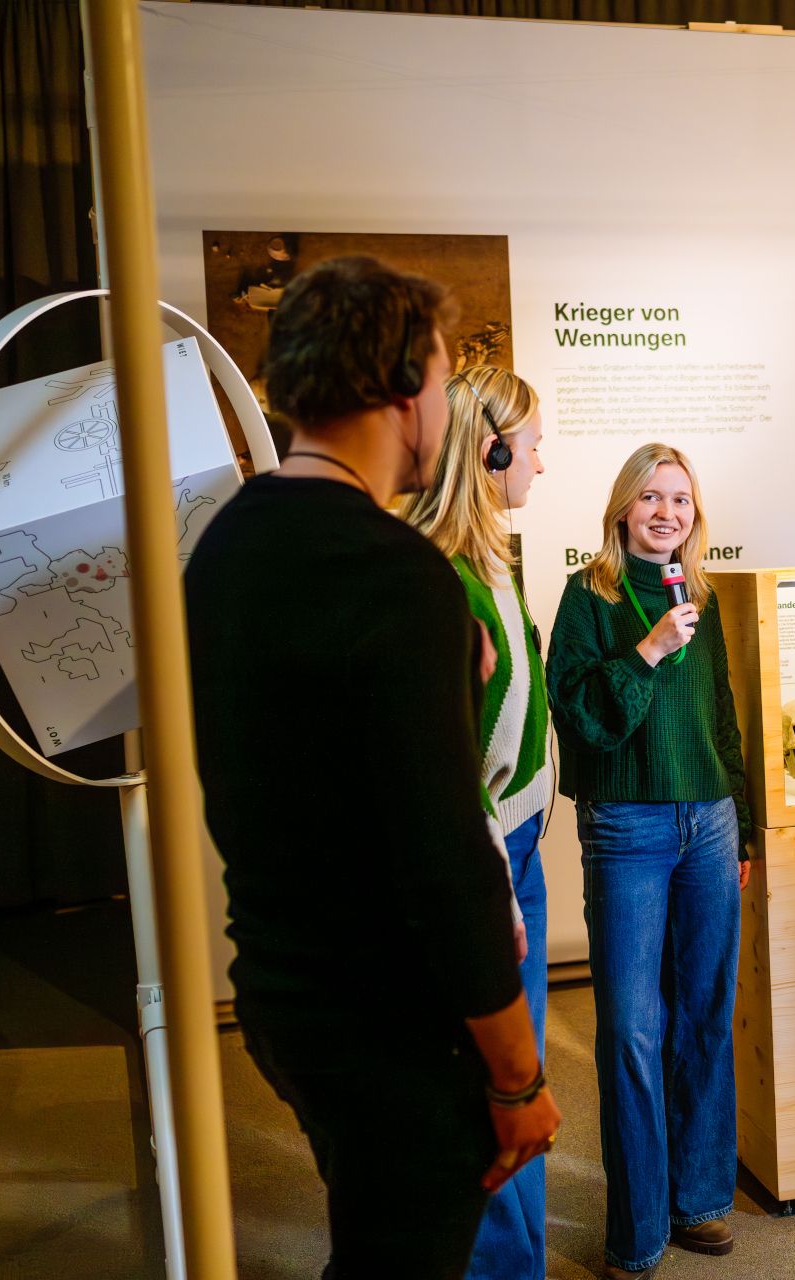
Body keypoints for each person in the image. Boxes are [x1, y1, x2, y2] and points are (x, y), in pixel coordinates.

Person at [184, 255, 560, 1278]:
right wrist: (520, 1077)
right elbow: (443, 861)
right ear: (403, 387)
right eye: (442, 376)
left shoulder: (225, 547)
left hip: (280, 988)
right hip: (392, 1023)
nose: (448, 403)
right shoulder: (401, 579)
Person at [544, 442, 752, 1280]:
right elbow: (583, 722)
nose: (668, 513)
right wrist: (649, 649)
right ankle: (637, 1232)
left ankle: (700, 1199)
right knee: (632, 1029)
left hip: (708, 822)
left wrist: (740, 827)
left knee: (705, 1011)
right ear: (623, 509)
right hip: (627, 827)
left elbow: (723, 716)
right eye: (652, 499)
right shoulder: (588, 596)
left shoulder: (695, 594)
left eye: (681, 501)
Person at [404, 365, 554, 1280]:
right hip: (489, 857)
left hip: (518, 844)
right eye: (533, 446)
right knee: (498, 1088)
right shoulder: (444, 580)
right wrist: (491, 876)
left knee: (520, 1082)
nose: (542, 463)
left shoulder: (491, 557)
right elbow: (454, 771)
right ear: (491, 452)